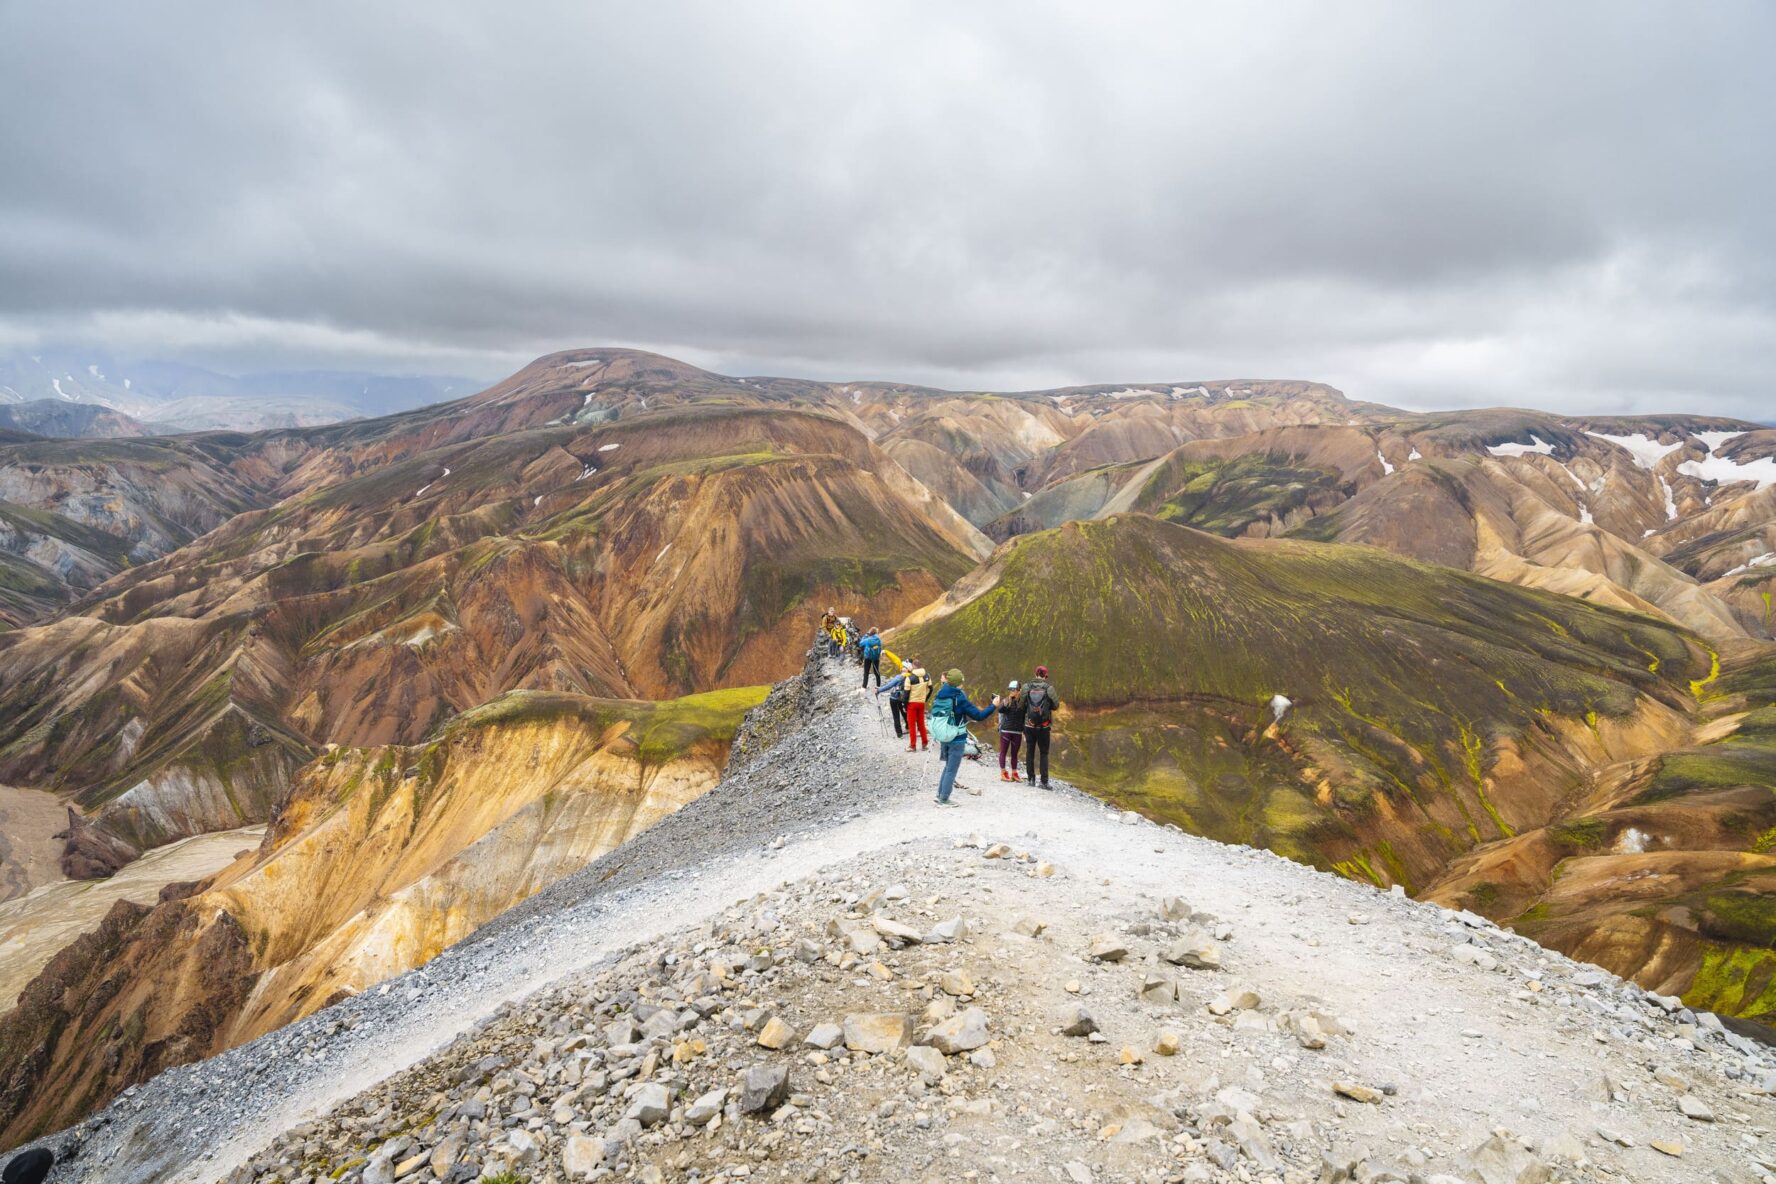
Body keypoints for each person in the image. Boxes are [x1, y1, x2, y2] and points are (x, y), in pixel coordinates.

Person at [929, 669, 997, 807]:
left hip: (944, 735)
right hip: (957, 738)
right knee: (952, 769)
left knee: (948, 766)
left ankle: (940, 794)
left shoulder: (941, 693)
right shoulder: (959, 698)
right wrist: (993, 705)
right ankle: (944, 799)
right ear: (958, 683)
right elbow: (979, 716)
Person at [1022, 664, 1060, 789]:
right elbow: (1055, 705)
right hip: (1044, 727)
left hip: (1029, 725)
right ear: (1045, 676)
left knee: (1029, 752)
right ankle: (1044, 782)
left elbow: (1021, 705)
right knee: (1044, 753)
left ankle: (1031, 780)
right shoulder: (1049, 688)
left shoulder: (1026, 687)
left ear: (1035, 674)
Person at [996, 678, 1025, 781]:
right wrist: (1008, 699)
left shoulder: (1023, 702)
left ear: (1019, 690)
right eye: (1011, 689)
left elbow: (1024, 717)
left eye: (1014, 689)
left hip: (1017, 731)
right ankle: (1003, 772)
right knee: (1003, 752)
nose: (1012, 691)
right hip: (1006, 731)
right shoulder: (1006, 701)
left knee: (1014, 754)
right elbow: (1000, 710)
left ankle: (1014, 773)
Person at [903, 661, 932, 751]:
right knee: (921, 724)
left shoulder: (909, 678)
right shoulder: (927, 676)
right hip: (921, 703)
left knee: (912, 725)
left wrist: (905, 705)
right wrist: (926, 698)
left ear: (913, 666)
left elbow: (906, 694)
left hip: (912, 703)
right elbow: (931, 689)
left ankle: (913, 746)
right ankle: (924, 744)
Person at [876, 663, 909, 738]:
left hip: (894, 698)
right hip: (903, 699)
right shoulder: (910, 677)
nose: (903, 668)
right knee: (904, 713)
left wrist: (879, 690)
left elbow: (889, 686)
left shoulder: (899, 677)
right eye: (903, 666)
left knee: (896, 715)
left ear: (907, 669)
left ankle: (899, 733)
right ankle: (908, 727)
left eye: (905, 667)